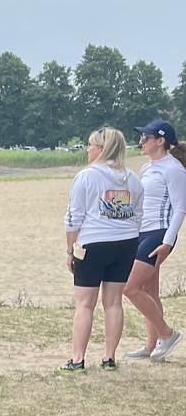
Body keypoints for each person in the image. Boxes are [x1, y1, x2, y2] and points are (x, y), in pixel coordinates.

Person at [58, 127, 143, 372]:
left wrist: (69, 249)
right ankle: (109, 357)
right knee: (114, 302)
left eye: (91, 145)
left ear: (101, 149)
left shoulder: (87, 176)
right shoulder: (132, 179)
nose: (88, 149)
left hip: (93, 242)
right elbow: (137, 215)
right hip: (125, 243)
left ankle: (77, 359)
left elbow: (74, 217)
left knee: (84, 304)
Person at [124, 118, 185, 361]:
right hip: (142, 232)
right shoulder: (147, 167)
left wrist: (167, 242)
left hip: (159, 234)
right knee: (149, 289)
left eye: (146, 138)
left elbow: (180, 208)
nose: (141, 142)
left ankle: (167, 333)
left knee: (130, 287)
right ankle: (151, 345)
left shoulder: (174, 169)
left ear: (160, 141)